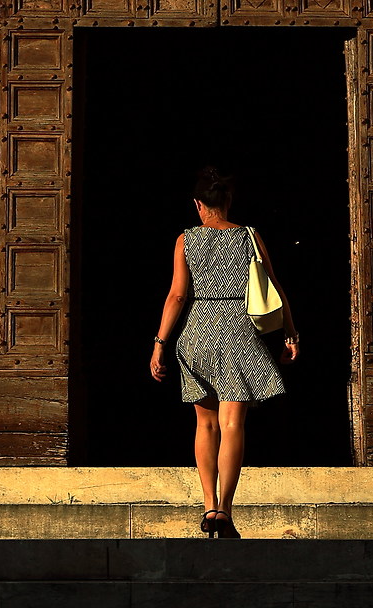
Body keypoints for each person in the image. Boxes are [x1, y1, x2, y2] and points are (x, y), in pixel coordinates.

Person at [149, 165, 298, 538]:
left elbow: (177, 296)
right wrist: (290, 334)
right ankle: (225, 512)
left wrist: (159, 344)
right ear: (228, 201)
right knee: (234, 423)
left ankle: (208, 504)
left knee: (205, 423)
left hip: (197, 333)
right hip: (238, 331)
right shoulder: (248, 235)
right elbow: (274, 287)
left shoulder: (186, 239)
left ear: (198, 204)